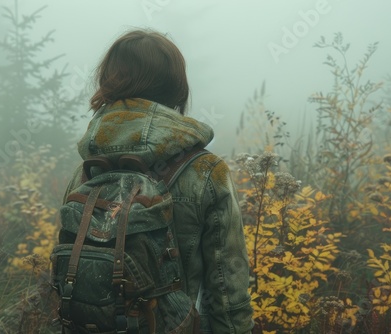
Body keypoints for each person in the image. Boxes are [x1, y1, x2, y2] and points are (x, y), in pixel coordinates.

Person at [61, 29, 254, 333]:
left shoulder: (87, 171)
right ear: (176, 87)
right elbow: (227, 290)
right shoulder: (205, 170)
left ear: (109, 83)